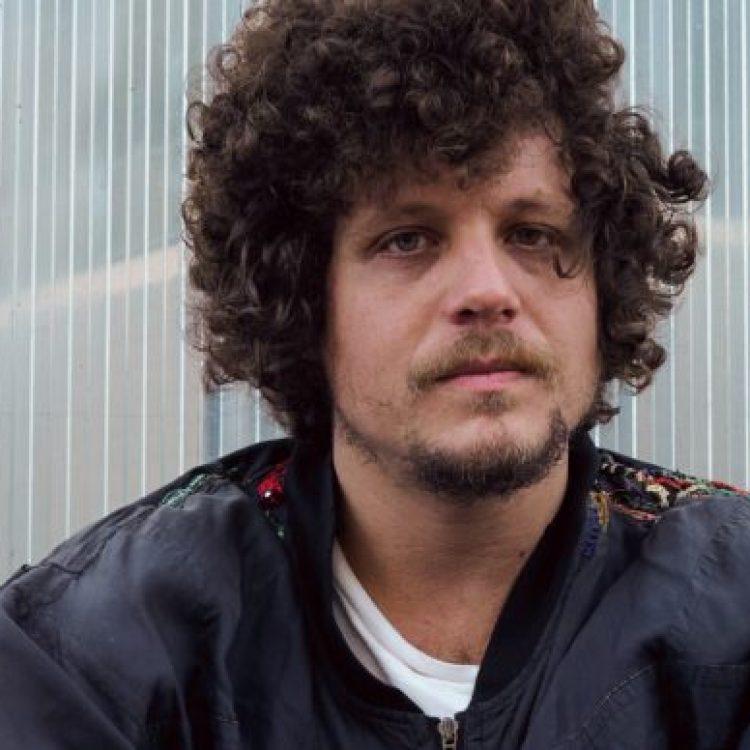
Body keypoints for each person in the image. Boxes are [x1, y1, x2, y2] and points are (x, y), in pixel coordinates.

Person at [1, 0, 749, 747]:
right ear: (303, 297)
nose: (487, 290)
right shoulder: (97, 656)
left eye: (531, 234)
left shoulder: (734, 613)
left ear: (602, 285)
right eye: (408, 239)